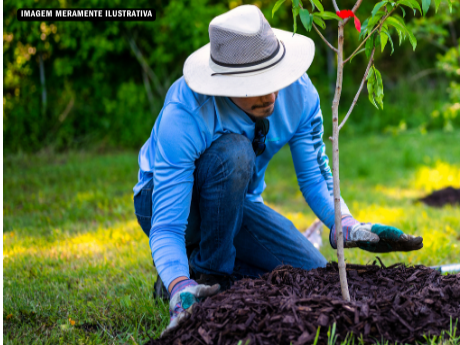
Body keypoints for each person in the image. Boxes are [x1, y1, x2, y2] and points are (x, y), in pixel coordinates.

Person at [132, 5, 423, 334]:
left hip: (237, 205)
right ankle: (202, 277)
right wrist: (178, 283)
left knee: (311, 272)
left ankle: (203, 271)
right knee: (234, 152)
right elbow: (168, 225)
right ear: (224, 82)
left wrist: (346, 225)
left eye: (274, 78)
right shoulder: (186, 112)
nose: (271, 93)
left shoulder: (299, 94)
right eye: (254, 83)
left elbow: (315, 177)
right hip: (163, 203)